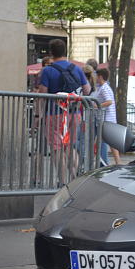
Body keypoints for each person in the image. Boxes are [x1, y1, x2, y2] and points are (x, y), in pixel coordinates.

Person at [38, 39, 90, 184]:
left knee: (57, 149)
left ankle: (62, 183)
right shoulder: (76, 68)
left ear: (51, 53)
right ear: (65, 51)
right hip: (74, 113)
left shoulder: (48, 70)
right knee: (70, 146)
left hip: (54, 114)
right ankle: (75, 178)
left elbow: (42, 94)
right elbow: (87, 90)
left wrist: (38, 115)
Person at [95, 68, 122, 165]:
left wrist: (97, 106)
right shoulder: (104, 87)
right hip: (107, 118)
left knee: (109, 141)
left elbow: (109, 101)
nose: (95, 78)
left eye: (96, 76)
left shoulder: (104, 88)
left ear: (100, 77)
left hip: (107, 118)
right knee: (109, 141)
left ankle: (116, 161)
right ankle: (116, 161)